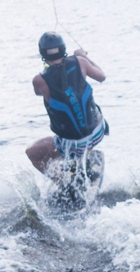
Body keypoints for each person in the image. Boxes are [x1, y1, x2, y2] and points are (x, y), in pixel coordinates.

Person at [26, 31, 107, 174]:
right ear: (63, 49)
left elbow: (38, 93)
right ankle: (82, 161)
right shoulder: (80, 62)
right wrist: (84, 57)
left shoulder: (39, 80)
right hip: (98, 132)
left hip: (73, 145)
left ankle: (64, 183)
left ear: (43, 54)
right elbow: (102, 77)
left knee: (32, 153)